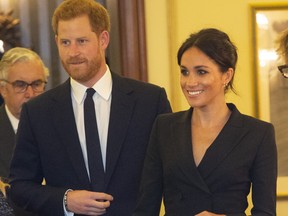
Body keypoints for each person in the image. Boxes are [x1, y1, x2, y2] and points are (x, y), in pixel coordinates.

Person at [9, 0, 172, 215]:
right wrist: (65, 200)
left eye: (82, 41)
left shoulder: (150, 101)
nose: (73, 52)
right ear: (56, 41)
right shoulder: (38, 112)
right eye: (65, 42)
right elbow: (20, 186)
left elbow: (174, 176)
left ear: (103, 39)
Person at [133, 28, 277, 216]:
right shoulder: (164, 127)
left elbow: (265, 212)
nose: (190, 82)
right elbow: (146, 208)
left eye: (201, 72)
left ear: (227, 75)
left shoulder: (258, 133)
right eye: (184, 72)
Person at [0, 47, 49, 216]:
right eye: (20, 85)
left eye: (36, 84)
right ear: (3, 89)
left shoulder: (60, 124)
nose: (30, 94)